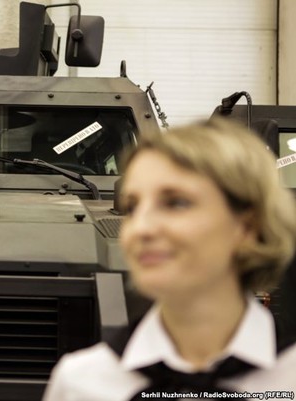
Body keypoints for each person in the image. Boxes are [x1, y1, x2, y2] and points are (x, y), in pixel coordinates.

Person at [43, 118, 296, 401]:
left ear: (248, 227)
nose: (140, 228)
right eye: (132, 207)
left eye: (176, 203)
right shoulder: (81, 383)